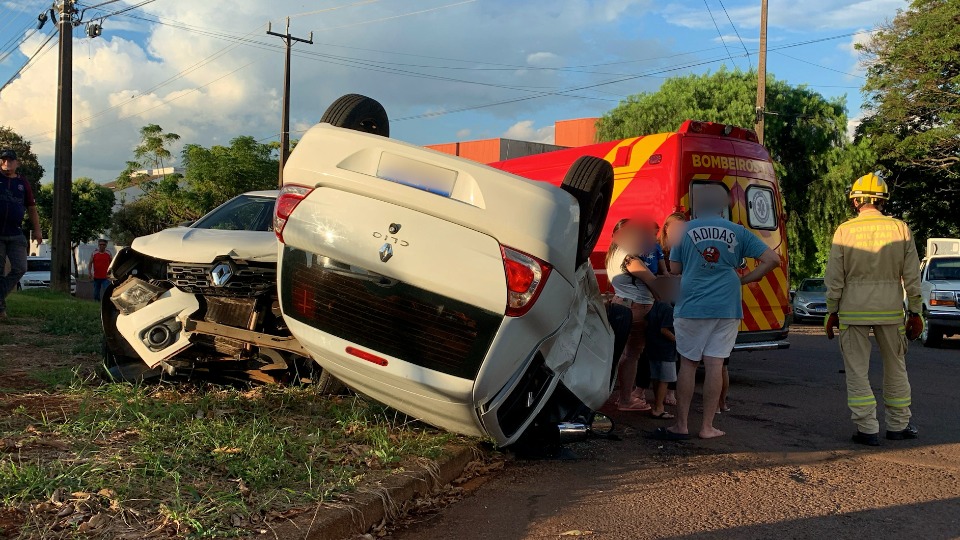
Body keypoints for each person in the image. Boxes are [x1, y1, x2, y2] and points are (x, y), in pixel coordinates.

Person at [654, 188, 780, 440]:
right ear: (722, 208)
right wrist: (744, 280)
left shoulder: (685, 230)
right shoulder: (738, 231)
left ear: (697, 207)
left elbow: (675, 268)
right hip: (726, 305)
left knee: (688, 364)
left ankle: (681, 425)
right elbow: (772, 259)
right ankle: (707, 427)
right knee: (715, 365)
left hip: (692, 304)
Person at [824, 172, 923, 447]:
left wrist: (832, 310)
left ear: (856, 201)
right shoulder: (900, 228)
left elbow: (834, 277)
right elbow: (912, 276)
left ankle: (867, 429)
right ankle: (898, 425)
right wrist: (916, 312)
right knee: (896, 367)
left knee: (857, 370)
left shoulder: (844, 231)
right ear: (883, 201)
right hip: (890, 310)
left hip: (852, 310)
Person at [606, 219, 659, 411]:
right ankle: (626, 399)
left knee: (621, 353)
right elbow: (654, 283)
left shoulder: (613, 254)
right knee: (631, 355)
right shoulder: (631, 260)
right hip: (636, 307)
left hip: (621, 303)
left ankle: (620, 395)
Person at [0, 149, 42, 319]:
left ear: (17, 163)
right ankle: (0, 309)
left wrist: (38, 230)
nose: (6, 163)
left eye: (10, 160)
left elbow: (31, 208)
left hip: (16, 232)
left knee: (20, 268)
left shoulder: (22, 183)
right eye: (3, 160)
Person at [658, 211, 688, 405]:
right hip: (661, 302)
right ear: (666, 228)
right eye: (675, 227)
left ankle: (671, 391)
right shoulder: (659, 249)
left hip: (681, 302)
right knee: (658, 347)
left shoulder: (688, 249)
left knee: (678, 348)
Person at [645, 300, 677, 419]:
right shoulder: (669, 309)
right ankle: (659, 408)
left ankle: (657, 404)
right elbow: (664, 330)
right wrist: (678, 341)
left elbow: (646, 322)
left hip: (653, 347)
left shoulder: (656, 304)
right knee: (665, 379)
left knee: (656, 378)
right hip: (666, 350)